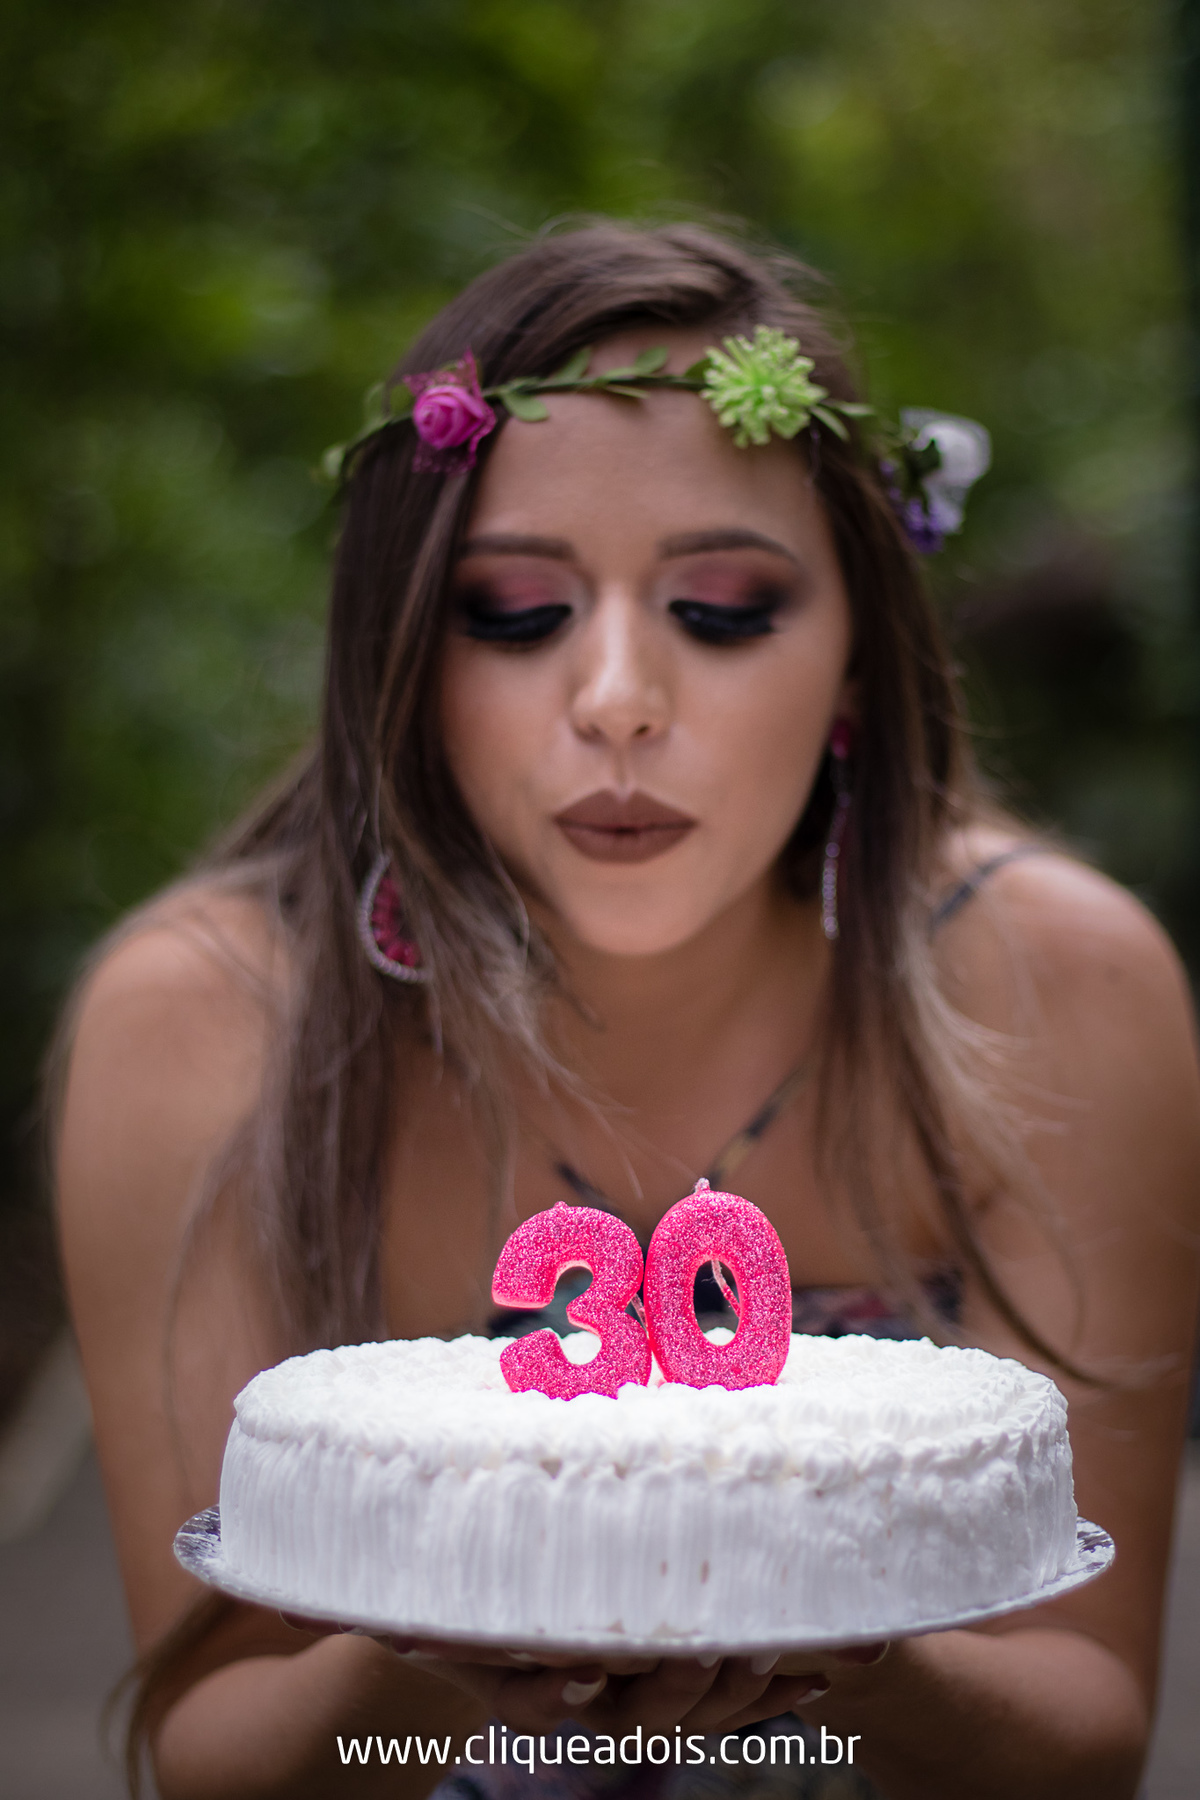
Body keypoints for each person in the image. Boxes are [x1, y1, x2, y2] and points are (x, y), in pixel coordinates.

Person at [54, 222, 1200, 1800]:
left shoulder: (1061, 993)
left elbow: (1081, 1744)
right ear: (404, 659)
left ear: (858, 657)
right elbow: (214, 1759)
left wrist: (844, 1629)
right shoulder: (208, 1028)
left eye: (723, 607)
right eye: (515, 613)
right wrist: (441, 1634)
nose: (615, 698)